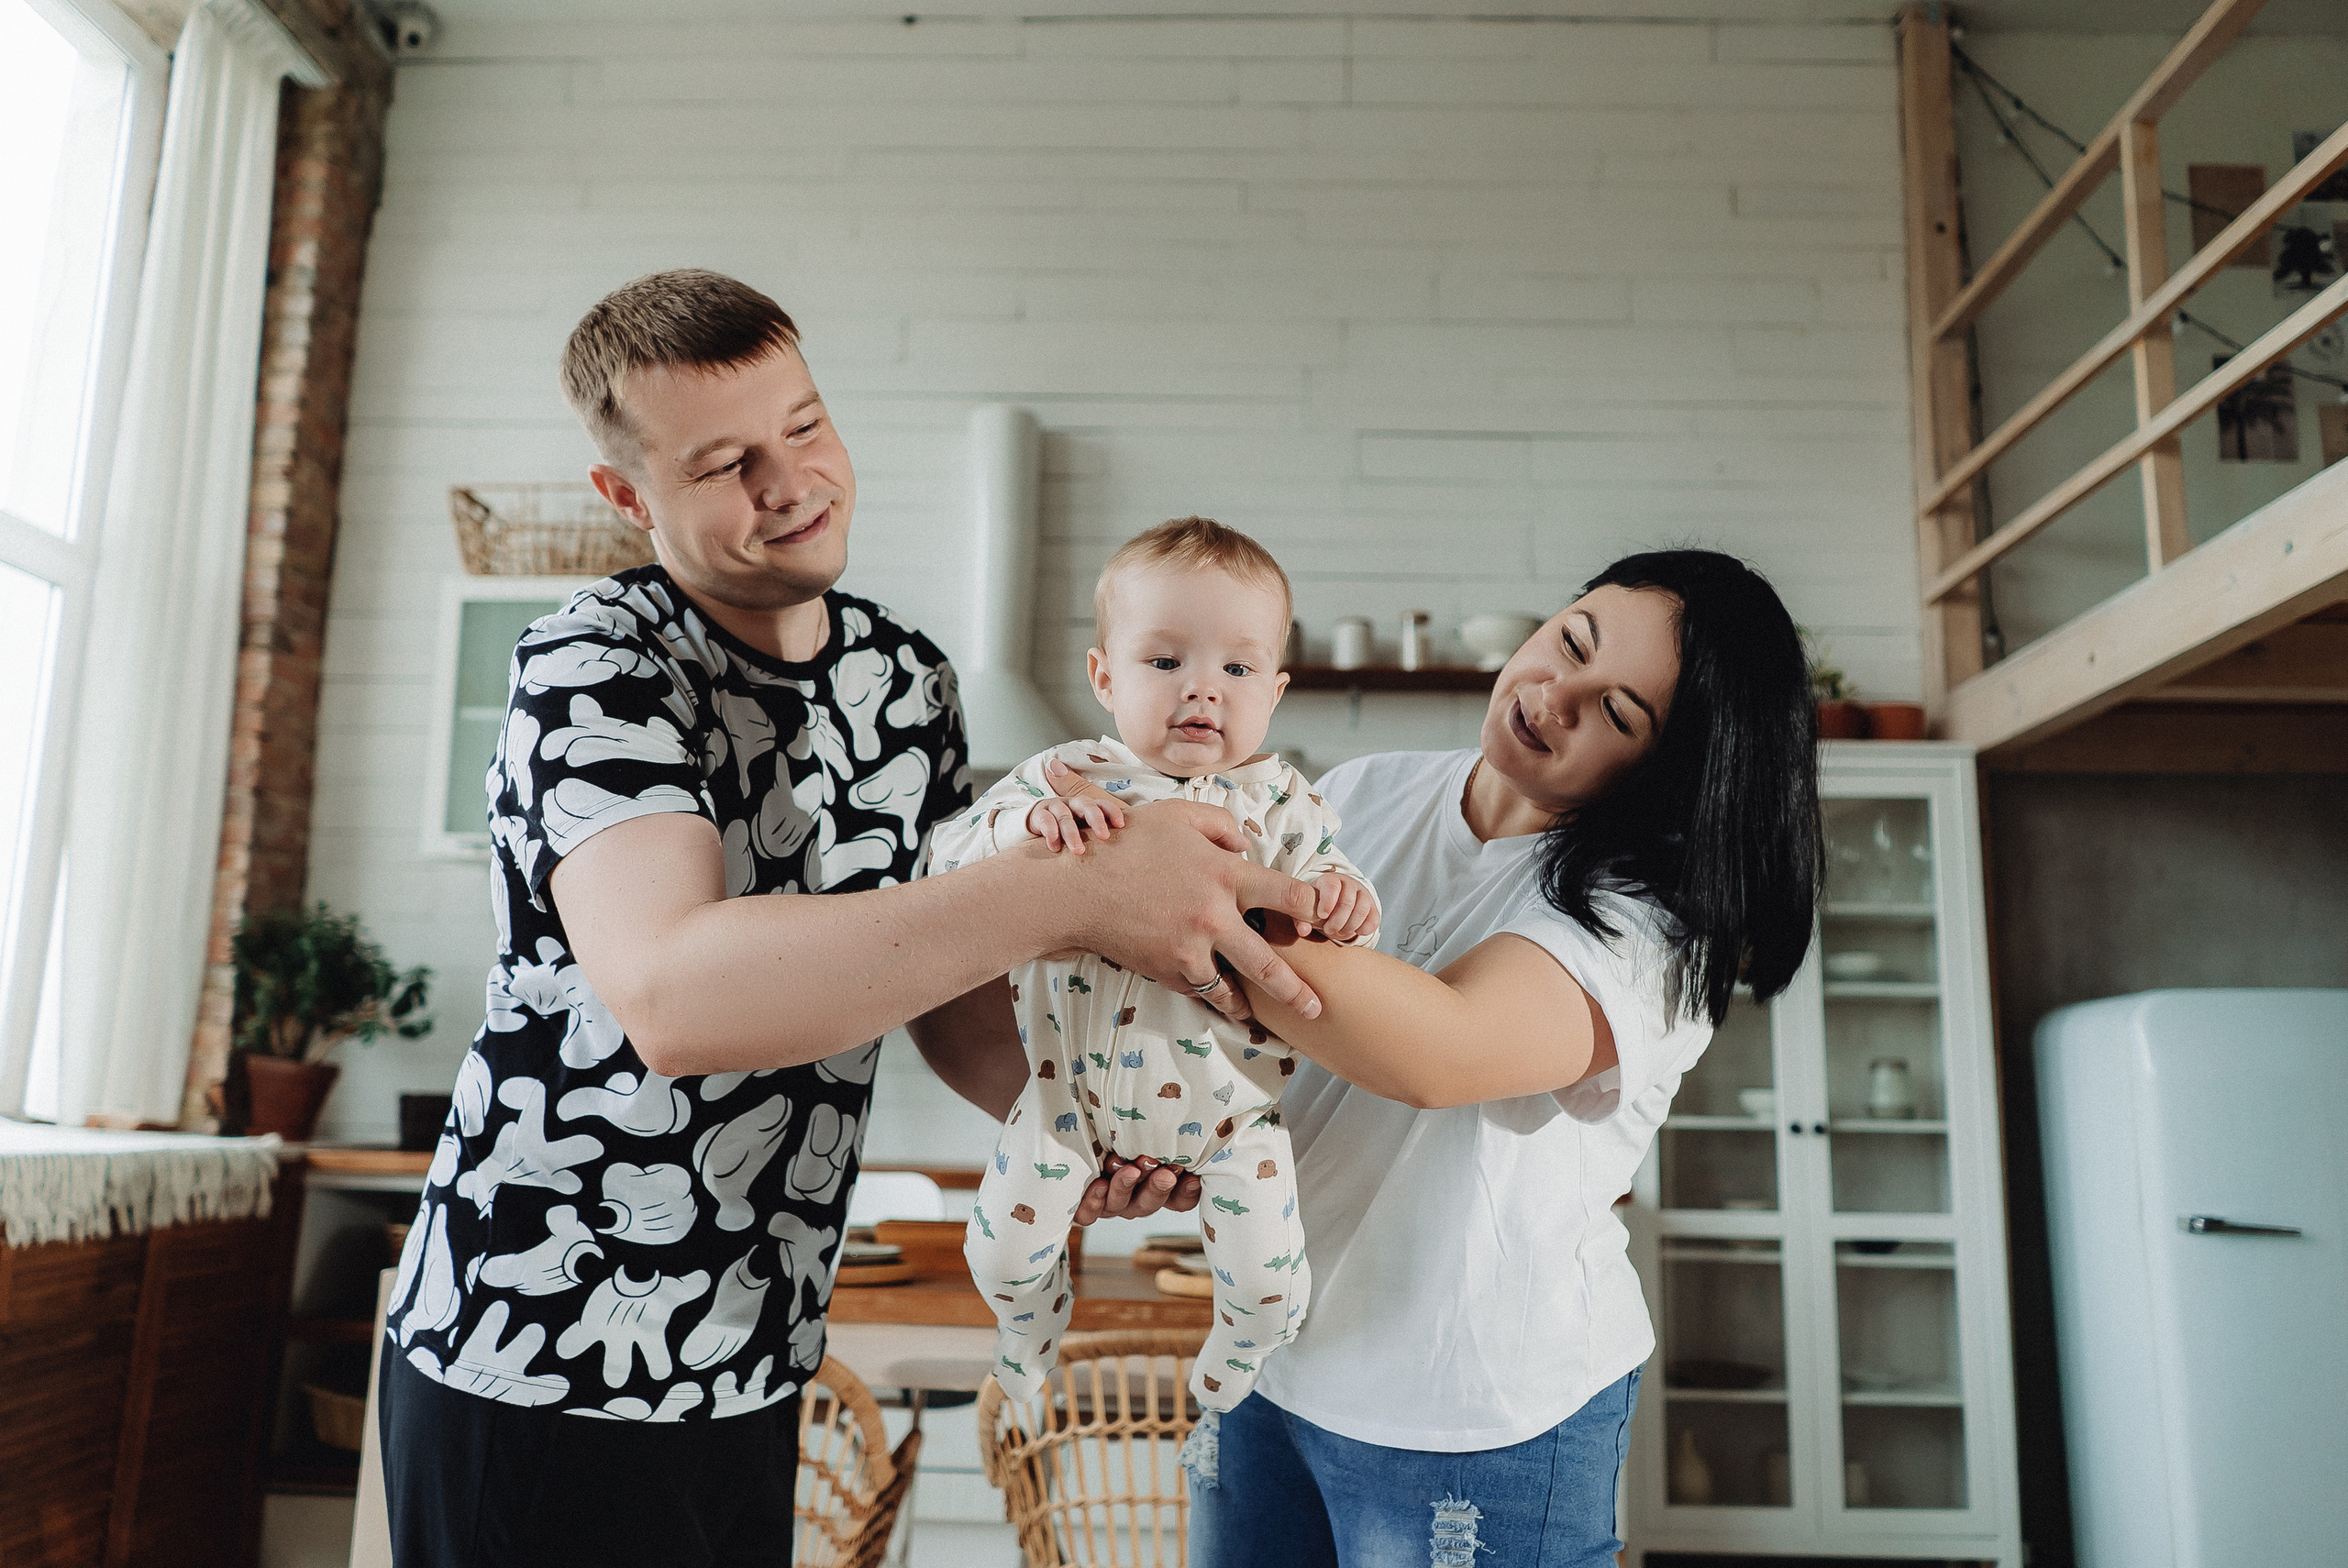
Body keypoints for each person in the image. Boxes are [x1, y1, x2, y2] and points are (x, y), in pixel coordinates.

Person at [376, 270, 1317, 1567]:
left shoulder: (906, 678)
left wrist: (1079, 1126)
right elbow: (673, 998)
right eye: (724, 463)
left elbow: (943, 984)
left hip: (760, 1355)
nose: (790, 481)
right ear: (628, 495)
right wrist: (1082, 892)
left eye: (805, 425)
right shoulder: (595, 665)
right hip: (540, 1349)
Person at [1147, 549, 1824, 1567]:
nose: (1553, 695)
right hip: (1268, 1357)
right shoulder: (1363, 793)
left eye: (1617, 713)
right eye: (1569, 641)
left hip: (1470, 1412)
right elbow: (1256, 1051)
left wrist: (1166, 890)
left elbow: (1440, 1046)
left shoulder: (1651, 926)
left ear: (1663, 771)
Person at [929, 517, 1379, 1412]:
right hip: (1062, 1100)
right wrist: (1024, 829)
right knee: (1001, 1256)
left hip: (1234, 1115)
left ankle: (1239, 1360)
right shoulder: (1068, 777)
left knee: (1273, 1287)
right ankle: (1028, 1331)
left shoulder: (1283, 801)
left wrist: (1344, 897)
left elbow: (1327, 893)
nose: (1202, 691)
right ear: (1104, 675)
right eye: (1165, 662)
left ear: (1275, 691)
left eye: (1237, 670)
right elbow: (948, 858)